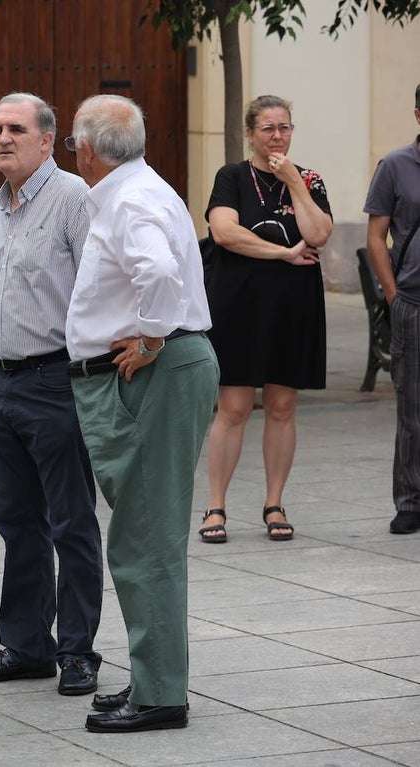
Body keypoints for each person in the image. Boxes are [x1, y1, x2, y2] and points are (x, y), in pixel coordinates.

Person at [64, 94, 219, 733]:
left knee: (145, 539)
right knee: (142, 534)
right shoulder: (138, 190)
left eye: (73, 142)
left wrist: (153, 336)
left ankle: (159, 696)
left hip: (153, 373)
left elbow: (157, 272)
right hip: (156, 372)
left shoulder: (128, 200)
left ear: (87, 150)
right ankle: (153, 677)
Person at [0, 93, 103, 697]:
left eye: (16, 129)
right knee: (16, 523)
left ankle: (77, 651)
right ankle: (25, 647)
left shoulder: (74, 199)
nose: (2, 138)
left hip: (55, 380)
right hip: (0, 384)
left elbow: (100, 286)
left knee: (71, 522)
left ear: (47, 140)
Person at [199, 95, 333, 544]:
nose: (277, 136)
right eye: (268, 128)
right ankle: (216, 505)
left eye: (284, 127)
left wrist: (293, 181)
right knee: (233, 408)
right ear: (250, 133)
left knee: (281, 406)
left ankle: (274, 503)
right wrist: (283, 253)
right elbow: (225, 232)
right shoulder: (232, 177)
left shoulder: (309, 179)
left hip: (293, 307)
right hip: (239, 305)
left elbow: (318, 233)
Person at [365, 83, 420, 535]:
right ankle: (410, 501)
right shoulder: (395, 165)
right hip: (413, 302)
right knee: (412, 407)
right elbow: (375, 236)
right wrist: (392, 294)